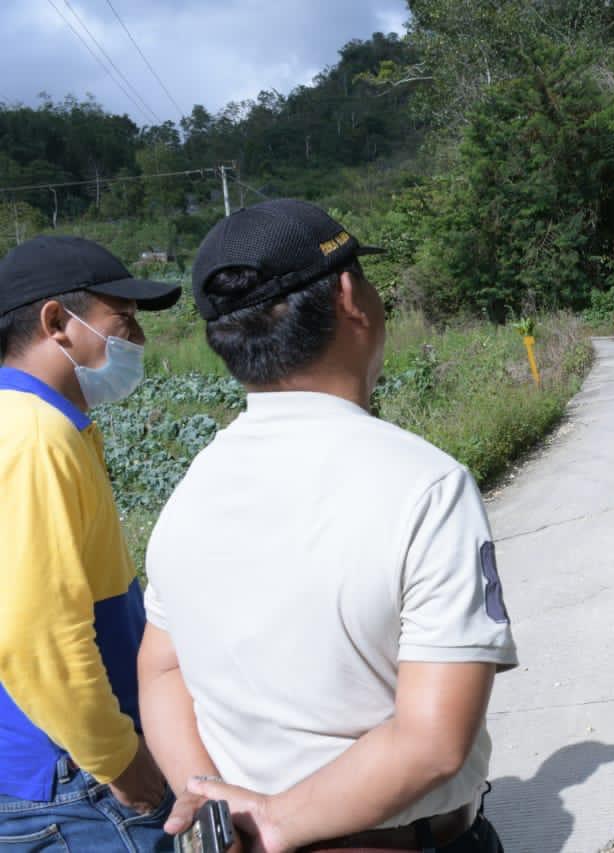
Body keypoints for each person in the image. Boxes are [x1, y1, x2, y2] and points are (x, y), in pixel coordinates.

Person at [137, 199, 518, 852]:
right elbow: (432, 741)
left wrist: (208, 796)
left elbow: (160, 669)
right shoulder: (426, 486)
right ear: (350, 296)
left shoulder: (189, 493)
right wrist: (280, 818)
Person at [0, 235, 181, 849]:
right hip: (71, 780)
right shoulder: (33, 435)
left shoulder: (41, 422)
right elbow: (36, 633)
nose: (137, 339)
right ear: (58, 323)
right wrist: (122, 764)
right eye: (122, 319)